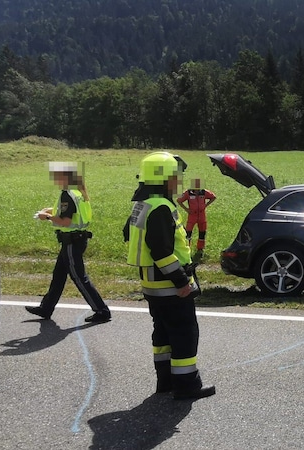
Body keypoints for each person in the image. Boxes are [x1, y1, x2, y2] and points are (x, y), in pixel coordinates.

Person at [124, 152, 215, 400]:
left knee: (163, 333)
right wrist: (181, 281)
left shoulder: (143, 204)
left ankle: (165, 382)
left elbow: (128, 234)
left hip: (151, 284)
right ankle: (186, 386)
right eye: (176, 176)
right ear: (163, 179)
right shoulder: (161, 208)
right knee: (184, 332)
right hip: (169, 285)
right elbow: (160, 250)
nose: (180, 181)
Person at [25, 162, 111, 323]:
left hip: (72, 241)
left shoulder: (68, 194)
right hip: (75, 240)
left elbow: (65, 221)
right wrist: (51, 210)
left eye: (56, 176)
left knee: (79, 277)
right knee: (58, 275)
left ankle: (102, 310)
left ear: (65, 177)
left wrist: (48, 217)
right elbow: (68, 212)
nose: (54, 180)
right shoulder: (77, 192)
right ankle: (46, 308)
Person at [176, 178, 216, 260]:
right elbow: (179, 200)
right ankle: (187, 249)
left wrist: (206, 205)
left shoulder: (204, 192)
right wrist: (186, 209)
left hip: (202, 216)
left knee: (202, 233)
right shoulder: (188, 193)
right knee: (188, 233)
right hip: (192, 216)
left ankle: (200, 249)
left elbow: (213, 197)